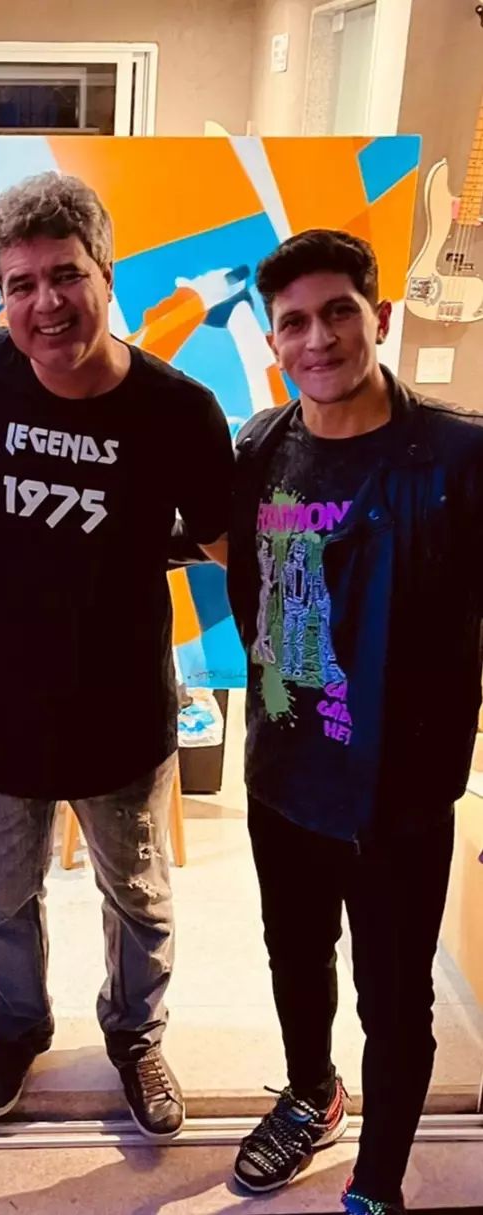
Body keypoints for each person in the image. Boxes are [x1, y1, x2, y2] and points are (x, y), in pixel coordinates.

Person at [0, 172, 234, 1139]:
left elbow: (231, 545)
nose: (46, 303)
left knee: (139, 899)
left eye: (66, 274)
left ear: (107, 275)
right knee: (1, 898)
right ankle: (18, 1029)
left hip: (122, 708)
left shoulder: (179, 410)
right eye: (20, 284)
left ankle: (136, 1036)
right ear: (0, 295)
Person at [227, 229, 483, 1215]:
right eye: (294, 322)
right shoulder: (260, 448)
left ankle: (378, 1181)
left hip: (398, 796)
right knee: (295, 960)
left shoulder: (457, 457)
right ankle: (311, 1095)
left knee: (395, 998)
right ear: (272, 341)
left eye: (339, 312)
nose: (318, 338)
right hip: (281, 778)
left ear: (378, 318)